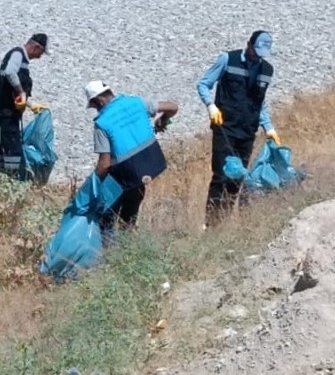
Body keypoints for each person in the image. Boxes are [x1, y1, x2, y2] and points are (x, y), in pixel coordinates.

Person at [198, 31, 280, 225]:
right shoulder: (228, 59)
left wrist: (269, 128)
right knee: (221, 176)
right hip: (225, 128)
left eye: (261, 53)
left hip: (247, 131)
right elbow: (203, 84)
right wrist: (211, 106)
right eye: (254, 51)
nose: (256, 56)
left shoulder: (267, 70)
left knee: (237, 179)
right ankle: (211, 224)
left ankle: (224, 220)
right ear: (248, 44)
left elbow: (260, 102)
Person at [85, 80, 178, 230]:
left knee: (105, 215)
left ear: (99, 100)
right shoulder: (136, 103)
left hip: (127, 171)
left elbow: (104, 163)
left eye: (94, 105)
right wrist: (163, 119)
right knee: (130, 212)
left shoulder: (101, 123)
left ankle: (108, 247)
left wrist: (92, 185)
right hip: (151, 162)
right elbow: (173, 107)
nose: (95, 109)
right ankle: (128, 237)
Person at [0, 33, 48, 179]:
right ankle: (11, 178)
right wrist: (20, 91)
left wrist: (30, 104)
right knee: (12, 147)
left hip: (11, 111)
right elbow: (10, 72)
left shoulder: (21, 59)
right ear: (36, 47)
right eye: (41, 53)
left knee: (7, 144)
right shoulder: (17, 54)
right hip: (7, 111)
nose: (39, 56)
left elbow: (18, 90)